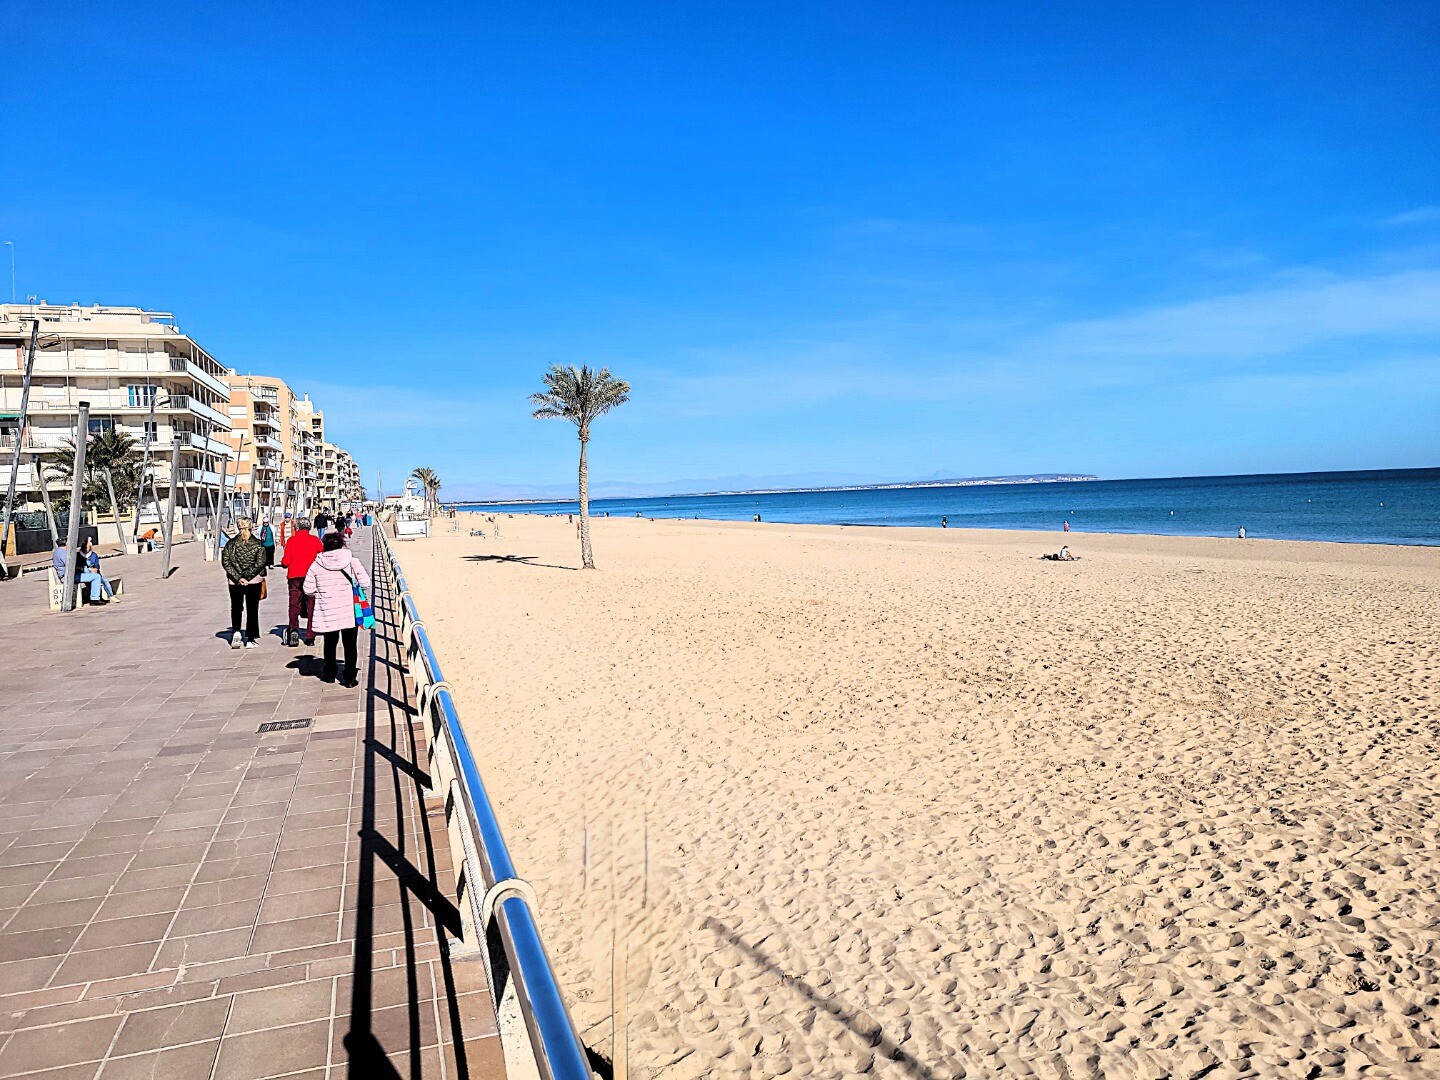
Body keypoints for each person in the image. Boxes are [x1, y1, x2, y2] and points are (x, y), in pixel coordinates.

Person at [303, 531, 371, 687]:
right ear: (342, 544)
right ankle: (349, 678)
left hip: (328, 611)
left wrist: (321, 592)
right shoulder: (352, 561)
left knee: (330, 643)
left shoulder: (317, 564)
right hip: (349, 610)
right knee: (350, 644)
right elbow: (365, 583)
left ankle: (329, 674)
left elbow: (308, 589)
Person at [220, 518, 268, 649]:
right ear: (251, 527)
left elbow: (226, 562)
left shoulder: (230, 544)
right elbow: (260, 563)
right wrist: (247, 577)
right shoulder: (258, 544)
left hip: (234, 582)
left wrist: (238, 577)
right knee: (252, 609)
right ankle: (250, 639)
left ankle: (236, 631)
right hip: (254, 581)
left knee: (236, 607)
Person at [280, 516, 323, 647]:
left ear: (297, 527)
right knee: (311, 606)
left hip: (294, 576)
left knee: (294, 604)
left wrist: (283, 562)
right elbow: (322, 554)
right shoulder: (314, 540)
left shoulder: (291, 541)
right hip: (311, 576)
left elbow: (286, 562)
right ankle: (310, 636)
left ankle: (294, 629)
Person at [53, 537, 115, 603]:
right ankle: (95, 598)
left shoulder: (57, 551)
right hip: (68, 577)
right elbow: (70, 566)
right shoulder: (63, 553)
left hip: (66, 575)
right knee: (96, 577)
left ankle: (96, 595)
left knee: (91, 574)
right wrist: (85, 568)